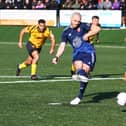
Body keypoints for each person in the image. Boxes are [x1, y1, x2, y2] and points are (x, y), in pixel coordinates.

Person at [52, 12, 101, 105]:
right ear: (71, 19)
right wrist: (57, 56)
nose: (77, 23)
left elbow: (98, 28)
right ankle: (82, 75)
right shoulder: (66, 32)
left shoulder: (83, 26)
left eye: (78, 21)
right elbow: (62, 46)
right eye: (75, 21)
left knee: (84, 71)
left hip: (88, 52)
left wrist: (87, 35)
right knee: (79, 68)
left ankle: (80, 96)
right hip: (77, 53)